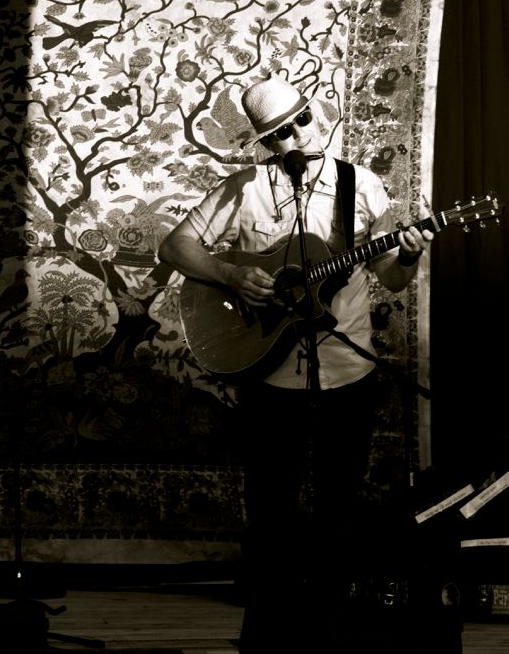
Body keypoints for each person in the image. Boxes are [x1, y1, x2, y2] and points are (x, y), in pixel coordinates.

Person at [157, 74, 433, 653]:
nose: (296, 138)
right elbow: (174, 247)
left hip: (348, 369)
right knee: (271, 506)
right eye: (280, 133)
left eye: (301, 121)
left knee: (339, 506)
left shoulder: (362, 187)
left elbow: (390, 279)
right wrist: (231, 274)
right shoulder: (243, 189)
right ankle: (268, 637)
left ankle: (329, 632)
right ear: (265, 142)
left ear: (316, 114)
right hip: (269, 371)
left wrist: (408, 256)